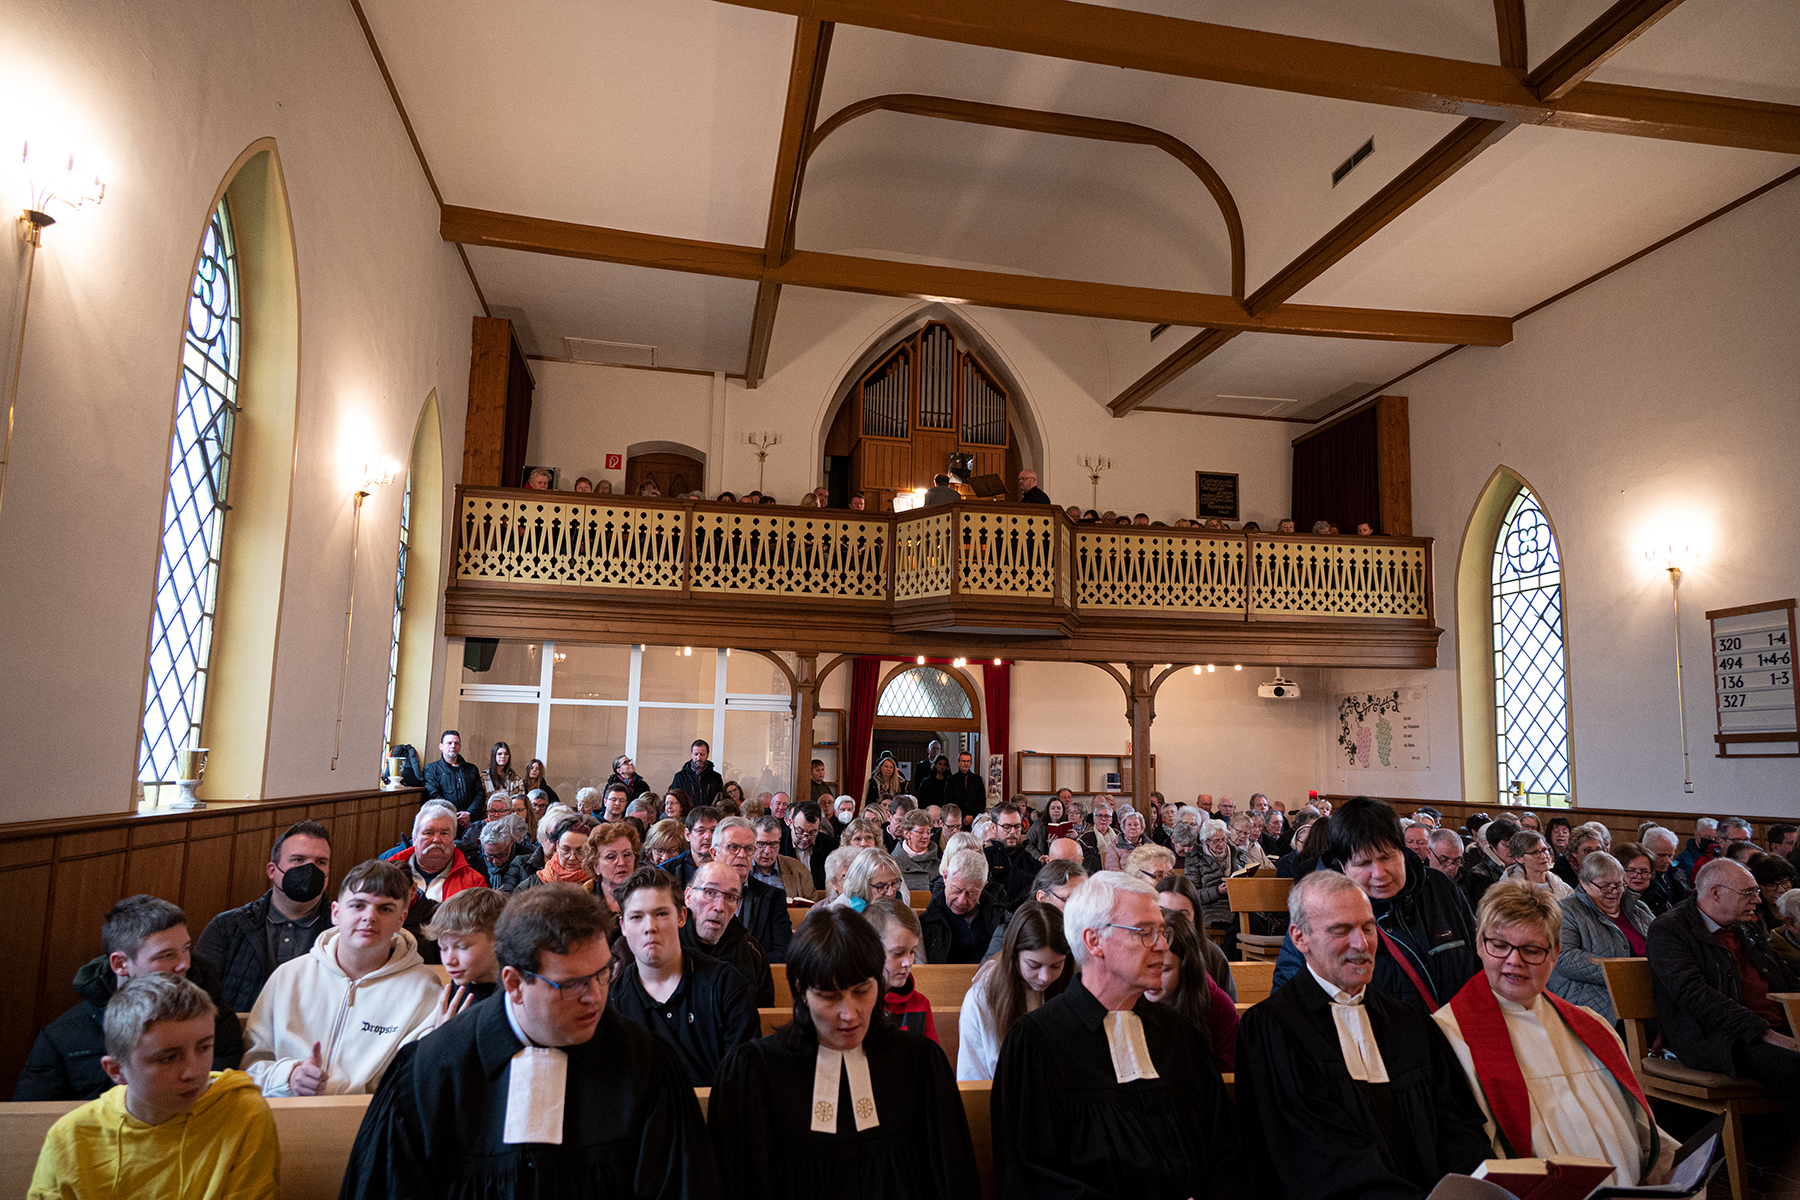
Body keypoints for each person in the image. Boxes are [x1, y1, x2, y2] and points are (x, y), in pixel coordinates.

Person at [339, 884, 719, 1199]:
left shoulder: (646, 1064)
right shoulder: (430, 1071)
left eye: (603, 973)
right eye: (572, 983)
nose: (595, 997)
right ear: (514, 983)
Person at [1239, 870, 1489, 1200]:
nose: (1362, 944)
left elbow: (1458, 1125)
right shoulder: (1272, 1028)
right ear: (1300, 938)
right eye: (1341, 930)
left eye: (1368, 927)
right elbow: (1313, 1152)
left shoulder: (1410, 1022)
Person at [994, 872, 1242, 1200]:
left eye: (1162, 932)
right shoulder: (1036, 1043)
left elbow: (1228, 1151)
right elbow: (1033, 1178)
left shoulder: (1180, 1036)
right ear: (1094, 941)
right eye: (1145, 932)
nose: (1163, 945)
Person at [709, 907, 980, 1200]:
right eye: (829, 996)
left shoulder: (920, 1064)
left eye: (862, 991)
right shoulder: (754, 1073)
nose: (849, 1014)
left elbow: (954, 1181)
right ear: (801, 990)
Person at [1435, 882, 1678, 1188]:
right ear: (1480, 945)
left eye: (1532, 950)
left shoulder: (1592, 1025)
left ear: (1556, 953)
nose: (1514, 961)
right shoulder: (1448, 1034)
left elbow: (1640, 1126)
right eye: (1499, 945)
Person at [28, 974, 278, 1200]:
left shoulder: (243, 1112)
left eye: (204, 1048)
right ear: (116, 1071)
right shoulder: (69, 1137)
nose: (193, 1072)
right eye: (168, 1058)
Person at [241, 860, 443, 1096]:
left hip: (369, 1116)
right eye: (358, 905)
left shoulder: (424, 990)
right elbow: (249, 1067)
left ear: (401, 919)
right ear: (336, 913)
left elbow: (418, 1084)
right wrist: (289, 1077)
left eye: (385, 909)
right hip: (286, 1111)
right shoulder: (289, 976)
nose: (370, 917)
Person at [17, 895, 243, 1102]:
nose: (184, 964)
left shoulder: (216, 1019)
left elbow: (214, 1101)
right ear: (120, 964)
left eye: (186, 949)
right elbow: (30, 1119)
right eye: (167, 955)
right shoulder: (62, 1036)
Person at [1272, 797, 1481, 1014]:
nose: (1379, 873)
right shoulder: (1318, 907)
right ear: (1343, 866)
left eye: (1387, 857)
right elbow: (1289, 1002)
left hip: (1454, 1031)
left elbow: (1479, 965)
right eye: (1363, 863)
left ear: (1402, 851)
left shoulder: (1439, 888)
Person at [1647, 857, 1800, 1113]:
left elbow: (1783, 976)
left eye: (1756, 891)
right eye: (1748, 892)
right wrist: (1765, 1032)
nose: (1758, 900)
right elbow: (1695, 995)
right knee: (1796, 1069)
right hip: (1719, 1037)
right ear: (1715, 892)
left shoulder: (1746, 924)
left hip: (1774, 1026)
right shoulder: (1670, 929)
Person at [609, 866, 759, 1089]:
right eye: (636, 917)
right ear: (623, 926)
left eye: (661, 914)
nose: (650, 927)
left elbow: (745, 1081)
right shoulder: (613, 1000)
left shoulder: (726, 985)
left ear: (681, 917)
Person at [197, 819, 333, 1014]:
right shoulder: (226, 927)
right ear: (272, 870)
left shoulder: (340, 931)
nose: (310, 870)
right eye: (298, 860)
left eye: (320, 862)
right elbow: (198, 1000)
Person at [958, 900, 1071, 1081]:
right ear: (1013, 954)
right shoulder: (980, 998)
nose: (1045, 977)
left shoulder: (1070, 988)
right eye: (1034, 965)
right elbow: (973, 1079)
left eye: (1056, 965)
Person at [1548, 852, 1652, 1023]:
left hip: (1649, 993)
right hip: (1596, 1001)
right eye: (1604, 886)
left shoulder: (1638, 908)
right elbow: (1564, 957)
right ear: (1584, 883)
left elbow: (1663, 943)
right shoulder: (1567, 911)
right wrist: (1625, 973)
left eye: (1618, 885)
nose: (1613, 892)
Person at [1146, 910, 1238, 1073]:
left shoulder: (1219, 1006)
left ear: (1186, 967)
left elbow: (1229, 1075)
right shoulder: (1126, 999)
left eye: (1164, 969)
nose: (1151, 979)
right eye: (1147, 967)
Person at [684, 860, 776, 1007]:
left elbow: (764, 1013)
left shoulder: (752, 952)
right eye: (710, 892)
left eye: (730, 897)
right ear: (688, 897)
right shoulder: (669, 946)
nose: (720, 907)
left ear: (737, 906)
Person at [714, 816, 791, 964]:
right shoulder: (699, 895)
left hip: (755, 975)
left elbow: (784, 952)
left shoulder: (773, 897)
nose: (742, 855)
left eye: (749, 849)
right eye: (733, 847)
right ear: (714, 853)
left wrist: (745, 965)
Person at [1154, 875, 1237, 1000]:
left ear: (1195, 918)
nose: (1171, 922)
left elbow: (1229, 1005)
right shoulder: (1141, 953)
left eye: (1181, 916)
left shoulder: (1213, 955)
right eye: (1162, 912)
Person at [866, 899, 937, 1040]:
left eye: (913, 952)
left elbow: (931, 1052)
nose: (908, 962)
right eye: (898, 953)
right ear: (871, 950)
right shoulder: (854, 1005)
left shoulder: (920, 1004)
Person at [421, 886, 506, 1003]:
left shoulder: (515, 998)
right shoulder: (461, 985)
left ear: (498, 941)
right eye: (443, 948)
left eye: (462, 947)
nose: (449, 961)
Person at [514, 813, 592, 893]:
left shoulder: (597, 884)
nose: (572, 857)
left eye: (580, 851)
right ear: (557, 846)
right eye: (566, 850)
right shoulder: (530, 886)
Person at [751, 814, 818, 901]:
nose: (767, 851)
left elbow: (812, 904)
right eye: (761, 844)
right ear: (751, 843)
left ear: (779, 843)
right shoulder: (739, 869)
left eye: (773, 844)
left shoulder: (798, 870)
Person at [421, 729, 484, 817]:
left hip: (470, 819)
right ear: (441, 746)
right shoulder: (431, 769)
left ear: (460, 747)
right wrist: (453, 814)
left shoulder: (472, 769)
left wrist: (469, 814)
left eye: (456, 743)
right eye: (449, 743)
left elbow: (479, 794)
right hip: (443, 817)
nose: (453, 746)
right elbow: (434, 795)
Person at [1505, 829, 1574, 900]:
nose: (1543, 856)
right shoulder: (1509, 889)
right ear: (1519, 858)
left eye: (1544, 850)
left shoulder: (1560, 885)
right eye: (1535, 852)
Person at [788, 800, 839, 893]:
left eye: (812, 832)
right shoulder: (777, 843)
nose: (805, 839)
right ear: (791, 823)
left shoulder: (831, 846)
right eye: (800, 831)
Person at [1639, 825, 1690, 914]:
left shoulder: (1677, 874)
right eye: (1661, 855)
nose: (1667, 861)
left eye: (1670, 856)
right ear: (1646, 852)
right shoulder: (1641, 880)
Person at [670, 738, 725, 806]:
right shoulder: (680, 777)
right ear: (692, 755)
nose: (698, 758)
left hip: (709, 812)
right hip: (688, 812)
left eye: (702, 754)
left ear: (707, 755)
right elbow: (675, 800)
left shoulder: (716, 777)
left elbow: (720, 800)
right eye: (696, 754)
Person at [943, 752, 986, 824]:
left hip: (975, 820)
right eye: (963, 761)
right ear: (958, 763)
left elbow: (981, 801)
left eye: (968, 761)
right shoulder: (951, 780)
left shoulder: (978, 780)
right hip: (956, 819)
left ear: (971, 763)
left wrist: (972, 816)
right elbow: (949, 802)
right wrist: (962, 816)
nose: (966, 764)